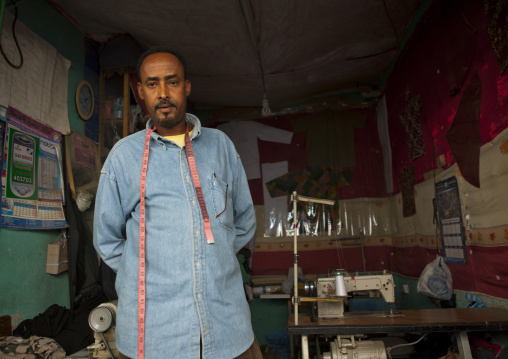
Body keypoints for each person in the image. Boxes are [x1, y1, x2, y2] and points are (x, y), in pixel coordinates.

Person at [93, 46, 262, 359]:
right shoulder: (124, 157)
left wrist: (214, 259)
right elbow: (107, 240)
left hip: (227, 329)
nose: (163, 93)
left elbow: (244, 220)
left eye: (172, 82)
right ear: (141, 91)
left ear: (186, 87)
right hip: (156, 334)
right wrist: (148, 271)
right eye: (152, 84)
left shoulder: (220, 146)